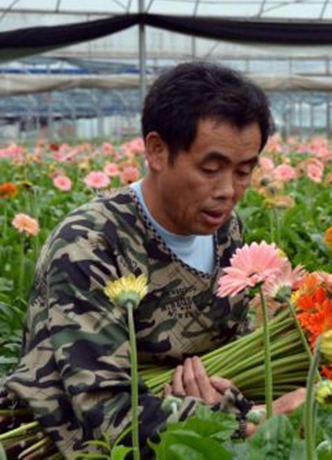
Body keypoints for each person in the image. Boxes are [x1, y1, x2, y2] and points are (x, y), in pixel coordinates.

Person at [0, 61, 304, 458]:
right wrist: (248, 421)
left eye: (244, 171)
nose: (228, 190)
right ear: (157, 151)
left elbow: (231, 347)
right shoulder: (91, 244)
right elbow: (105, 411)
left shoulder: (227, 232)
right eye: (210, 169)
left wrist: (228, 393)